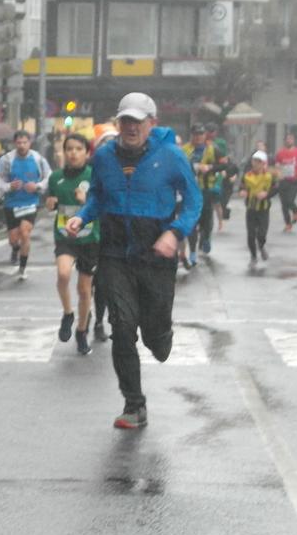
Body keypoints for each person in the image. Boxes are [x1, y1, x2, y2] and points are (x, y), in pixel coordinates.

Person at [64, 92, 199, 432]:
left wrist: (175, 232)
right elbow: (97, 194)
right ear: (118, 123)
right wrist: (83, 216)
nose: (130, 127)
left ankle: (161, 333)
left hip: (155, 252)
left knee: (154, 336)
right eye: (125, 121)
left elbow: (195, 201)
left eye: (137, 121)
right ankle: (134, 404)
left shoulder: (170, 156)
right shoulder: (105, 156)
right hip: (114, 252)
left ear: (151, 124)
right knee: (122, 328)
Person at [43, 130, 105, 355]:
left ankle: (81, 331)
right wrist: (50, 204)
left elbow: (104, 205)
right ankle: (68, 313)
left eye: (78, 149)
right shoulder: (56, 178)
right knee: (63, 274)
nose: (73, 153)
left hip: (89, 238)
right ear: (64, 152)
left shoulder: (94, 175)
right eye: (69, 149)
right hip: (65, 236)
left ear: (87, 153)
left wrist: (86, 200)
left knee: (84, 289)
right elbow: (51, 204)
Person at [0, 127, 47, 278]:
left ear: (30, 143)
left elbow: (48, 177)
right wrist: (8, 186)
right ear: (14, 144)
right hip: (11, 203)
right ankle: (15, 249)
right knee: (13, 238)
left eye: (25, 142)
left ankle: (22, 267)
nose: (22, 145)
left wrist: (37, 186)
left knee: (25, 232)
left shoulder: (38, 160)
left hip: (30, 202)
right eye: (19, 143)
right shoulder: (7, 160)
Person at [183, 128, 222, 268]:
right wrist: (193, 167)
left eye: (201, 134)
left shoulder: (213, 149)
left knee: (206, 219)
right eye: (195, 135)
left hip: (207, 190)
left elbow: (225, 165)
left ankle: (206, 238)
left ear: (205, 135)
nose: (198, 137)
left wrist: (210, 167)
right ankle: (192, 251)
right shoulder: (185, 149)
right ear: (191, 136)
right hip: (189, 191)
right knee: (192, 221)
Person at [242, 151, 276, 264]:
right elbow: (242, 187)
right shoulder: (247, 175)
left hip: (263, 209)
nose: (255, 164)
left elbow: (276, 189)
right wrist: (243, 192)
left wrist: (266, 194)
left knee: (261, 234)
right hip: (251, 209)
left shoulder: (269, 176)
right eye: (254, 161)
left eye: (258, 162)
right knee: (251, 235)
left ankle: (261, 247)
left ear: (263, 163)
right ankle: (253, 256)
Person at [274, 135, 297, 230]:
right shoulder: (280, 153)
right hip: (283, 180)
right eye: (288, 139)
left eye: (291, 139)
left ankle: (295, 211)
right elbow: (277, 164)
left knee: (290, 201)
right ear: (285, 141)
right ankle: (288, 224)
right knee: (284, 205)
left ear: (294, 140)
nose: (289, 141)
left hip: (294, 181)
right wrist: (278, 173)